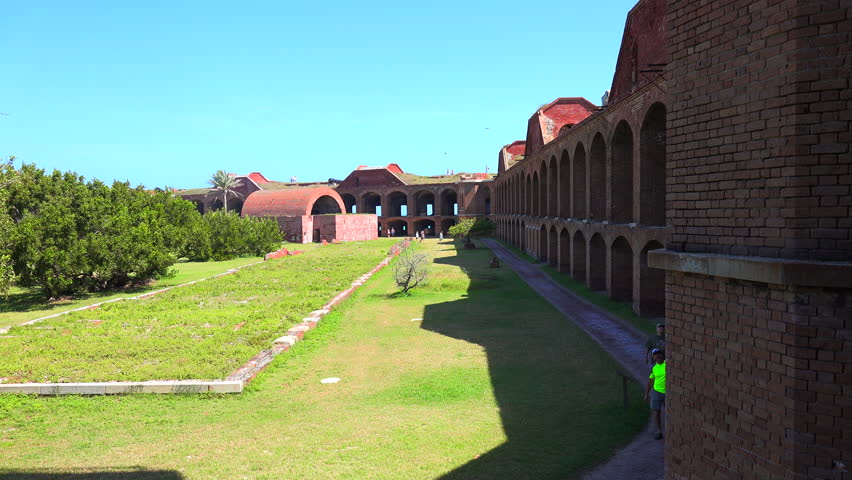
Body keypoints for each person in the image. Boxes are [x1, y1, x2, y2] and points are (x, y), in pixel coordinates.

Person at [644, 348, 666, 440]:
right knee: (657, 412)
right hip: (656, 392)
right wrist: (646, 394)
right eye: (655, 354)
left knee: (669, 412)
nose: (658, 355)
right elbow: (650, 381)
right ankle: (659, 431)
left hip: (668, 393)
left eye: (659, 353)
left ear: (663, 355)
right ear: (653, 357)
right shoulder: (653, 367)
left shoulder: (668, 364)